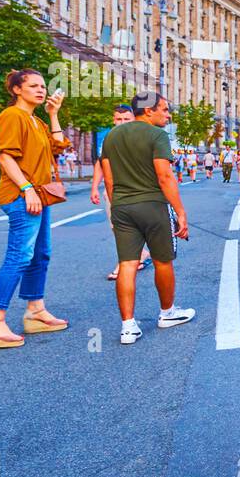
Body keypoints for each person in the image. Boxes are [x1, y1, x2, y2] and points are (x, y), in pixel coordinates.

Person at [0, 70, 70, 349]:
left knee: (40, 254)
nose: (41, 90)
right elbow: (5, 156)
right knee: (20, 255)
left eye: (43, 86)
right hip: (22, 195)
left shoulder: (37, 120)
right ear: (17, 89)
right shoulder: (11, 116)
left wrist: (54, 114)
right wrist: (27, 188)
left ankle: (36, 312)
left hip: (40, 195)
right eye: (33, 86)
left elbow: (59, 146)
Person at [99, 91, 195, 345]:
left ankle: (128, 326)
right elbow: (165, 177)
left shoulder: (111, 136)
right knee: (163, 261)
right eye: (163, 109)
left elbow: (108, 179)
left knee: (127, 265)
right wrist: (181, 212)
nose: (168, 114)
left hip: (121, 206)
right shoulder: (157, 135)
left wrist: (118, 202)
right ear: (148, 111)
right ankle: (167, 313)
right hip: (153, 205)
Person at [91, 104, 150, 280]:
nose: (122, 122)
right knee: (118, 227)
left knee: (137, 228)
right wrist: (95, 187)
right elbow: (101, 163)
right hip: (114, 190)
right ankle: (132, 257)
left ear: (134, 119)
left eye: (126, 119)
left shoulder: (143, 136)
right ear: (113, 120)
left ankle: (133, 257)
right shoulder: (110, 137)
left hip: (140, 191)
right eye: (118, 119)